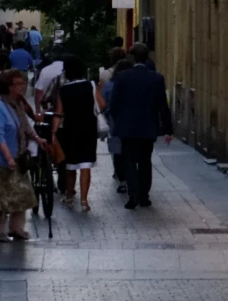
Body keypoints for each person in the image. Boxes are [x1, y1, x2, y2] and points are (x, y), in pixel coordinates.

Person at [104, 46, 172, 210]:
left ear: (133, 57)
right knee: (145, 161)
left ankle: (133, 194)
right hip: (147, 127)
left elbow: (113, 105)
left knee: (128, 161)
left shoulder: (122, 77)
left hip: (126, 128)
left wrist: (117, 121)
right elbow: (163, 106)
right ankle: (144, 196)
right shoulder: (156, 78)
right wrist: (168, 129)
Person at [0, 68, 38, 243]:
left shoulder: (18, 104)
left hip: (18, 158)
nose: (22, 87)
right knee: (0, 199)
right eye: (18, 84)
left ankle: (17, 228)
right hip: (1, 161)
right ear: (8, 86)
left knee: (21, 195)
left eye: (23, 83)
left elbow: (25, 126)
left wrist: (38, 139)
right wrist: (8, 158)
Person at [50, 53, 99, 211]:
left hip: (70, 129)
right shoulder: (91, 85)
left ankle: (70, 196)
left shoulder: (64, 90)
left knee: (70, 165)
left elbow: (58, 113)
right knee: (86, 165)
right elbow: (102, 104)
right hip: (88, 128)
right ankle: (84, 201)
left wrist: (53, 133)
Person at [100, 53, 132, 193]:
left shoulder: (110, 84)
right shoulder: (134, 84)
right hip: (131, 122)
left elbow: (103, 102)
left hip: (114, 122)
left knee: (116, 150)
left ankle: (121, 178)